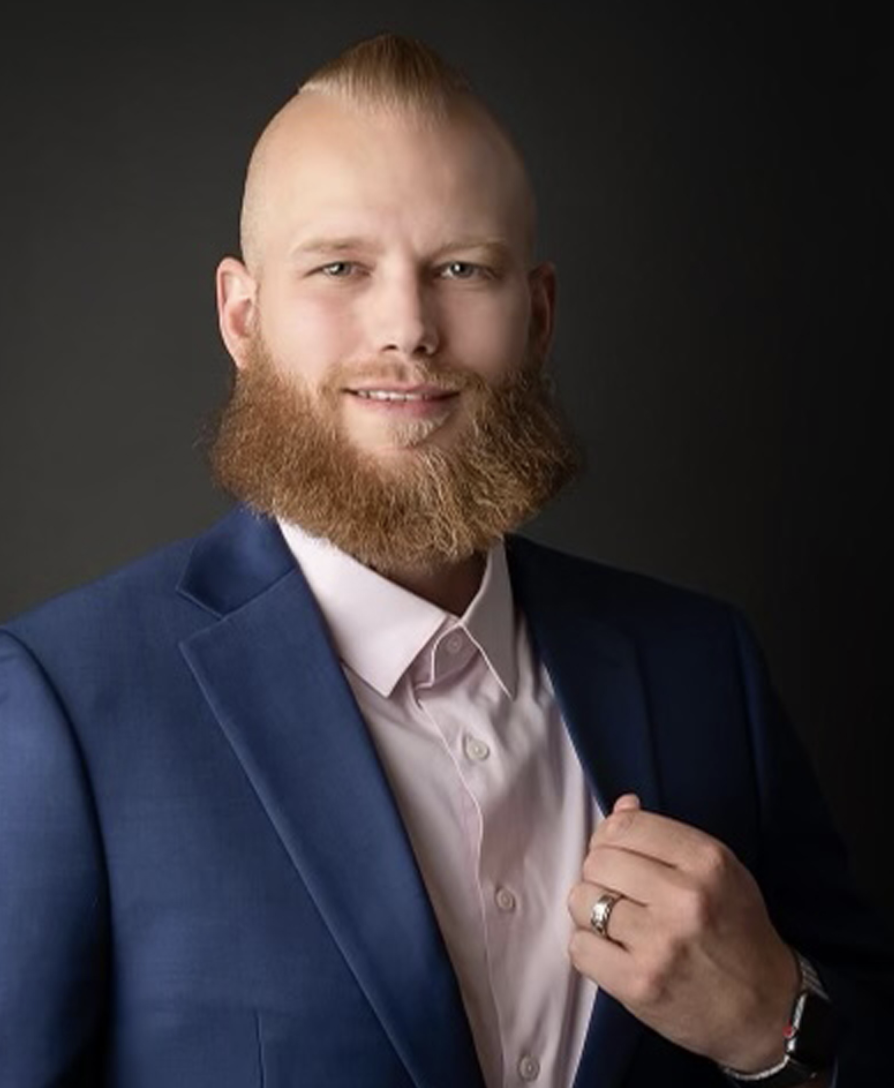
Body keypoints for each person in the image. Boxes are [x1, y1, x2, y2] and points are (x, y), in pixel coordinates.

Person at [0, 33, 891, 1088]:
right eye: (341, 267)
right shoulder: (58, 701)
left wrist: (774, 1022)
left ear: (540, 314)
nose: (409, 328)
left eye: (461, 268)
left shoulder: (706, 667)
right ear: (243, 317)